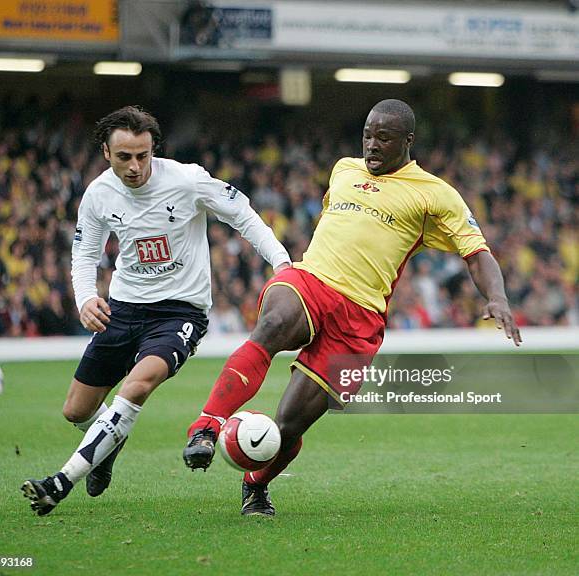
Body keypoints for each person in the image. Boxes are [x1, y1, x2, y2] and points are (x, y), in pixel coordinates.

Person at [183, 99, 522, 516]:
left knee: (290, 424)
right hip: (311, 280)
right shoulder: (344, 169)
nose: (372, 145)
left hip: (359, 318)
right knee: (273, 323)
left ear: (407, 141)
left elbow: (476, 251)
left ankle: (255, 484)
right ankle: (205, 427)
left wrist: (497, 297)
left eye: (384, 138)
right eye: (367, 135)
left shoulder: (436, 195)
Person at [21, 106, 290, 516]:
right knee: (76, 410)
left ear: (153, 150)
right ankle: (110, 442)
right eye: (124, 157)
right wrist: (85, 298)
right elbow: (84, 254)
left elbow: (244, 217)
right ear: (106, 153)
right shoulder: (98, 194)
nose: (135, 166)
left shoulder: (187, 179)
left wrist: (283, 265)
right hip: (124, 309)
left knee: (137, 385)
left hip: (180, 312)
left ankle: (60, 482)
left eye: (143, 155)